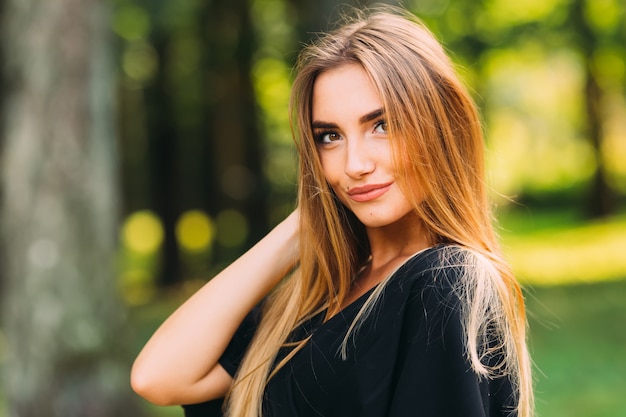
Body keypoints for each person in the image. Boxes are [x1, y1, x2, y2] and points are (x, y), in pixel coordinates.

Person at [131, 7, 533, 417]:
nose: (354, 164)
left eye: (383, 125)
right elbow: (158, 376)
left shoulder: (444, 282)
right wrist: (305, 224)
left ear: (440, 126)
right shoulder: (314, 300)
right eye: (329, 137)